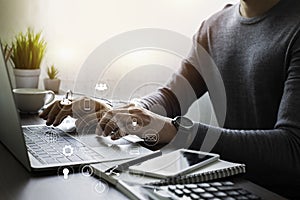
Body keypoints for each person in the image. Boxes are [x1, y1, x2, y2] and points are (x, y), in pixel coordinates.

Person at [40, 0, 300, 198]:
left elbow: (292, 151)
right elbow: (170, 98)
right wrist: (119, 113)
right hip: (228, 184)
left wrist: (174, 130)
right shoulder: (214, 26)